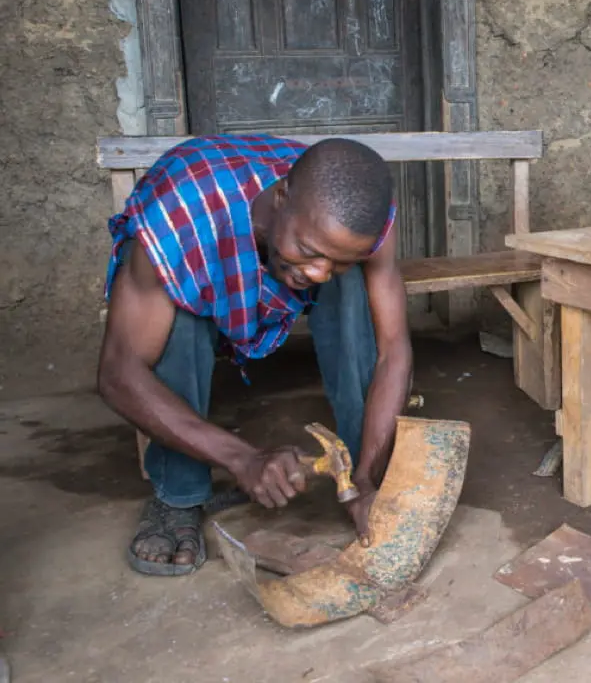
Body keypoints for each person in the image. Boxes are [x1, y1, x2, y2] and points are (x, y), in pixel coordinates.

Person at [97, 135, 412, 576]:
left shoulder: (365, 223)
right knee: (180, 310)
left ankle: (363, 477)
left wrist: (366, 476)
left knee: (353, 285)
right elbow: (119, 373)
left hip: (268, 247)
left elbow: (392, 349)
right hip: (204, 241)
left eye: (334, 261)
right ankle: (178, 496)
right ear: (281, 197)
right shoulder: (179, 221)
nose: (318, 272)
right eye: (307, 251)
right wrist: (242, 458)